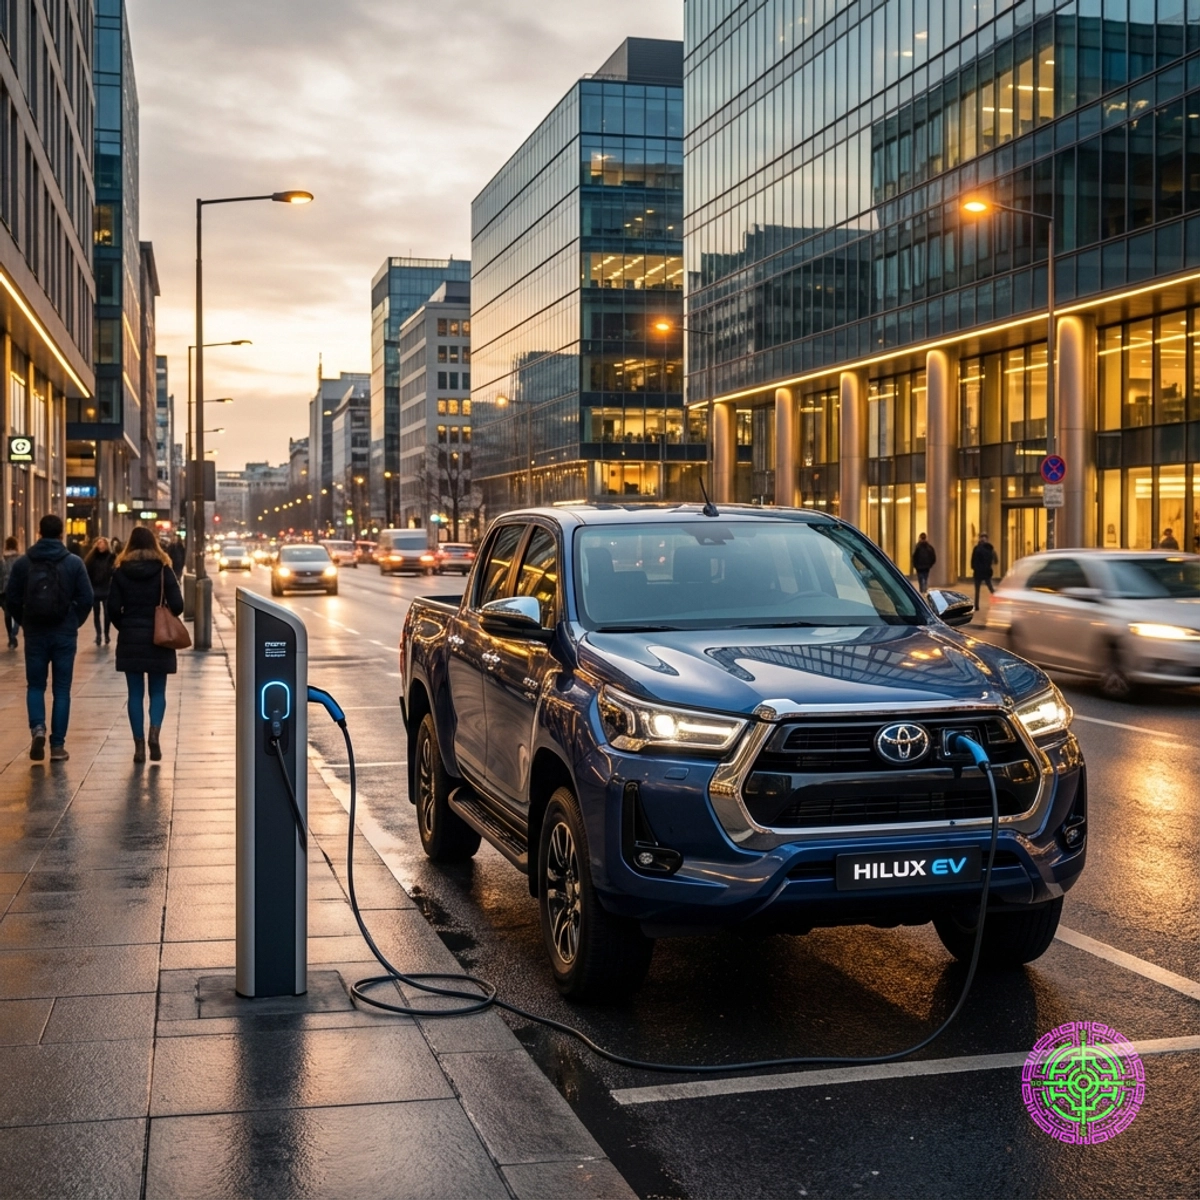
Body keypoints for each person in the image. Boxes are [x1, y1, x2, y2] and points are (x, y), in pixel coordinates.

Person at [4, 514, 93, 761]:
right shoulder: (74, 563)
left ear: (39, 533)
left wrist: (25, 621)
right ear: (62, 534)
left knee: (35, 685)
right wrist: (73, 622)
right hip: (64, 633)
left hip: (35, 633)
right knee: (62, 689)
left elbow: (11, 599)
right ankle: (57, 746)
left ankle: (38, 728)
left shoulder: (24, 563)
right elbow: (87, 598)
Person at [108, 526, 185, 763]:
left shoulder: (121, 571)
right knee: (158, 691)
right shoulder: (164, 570)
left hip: (131, 636)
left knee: (134, 693)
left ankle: (139, 746)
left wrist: (127, 625)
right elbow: (178, 605)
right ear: (155, 544)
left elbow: (112, 608)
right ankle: (155, 732)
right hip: (159, 639)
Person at [84, 537, 117, 645]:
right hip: (95, 588)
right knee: (96, 613)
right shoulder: (91, 558)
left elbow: (115, 571)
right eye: (99, 543)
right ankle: (98, 635)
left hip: (107, 588)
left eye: (103, 544)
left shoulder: (112, 557)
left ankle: (106, 634)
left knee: (107, 614)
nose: (100, 546)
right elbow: (87, 573)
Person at [970, 532, 999, 611]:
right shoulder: (988, 548)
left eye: (984, 537)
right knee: (985, 588)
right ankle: (976, 606)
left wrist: (974, 567)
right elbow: (996, 560)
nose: (983, 538)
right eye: (982, 537)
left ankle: (977, 606)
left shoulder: (980, 548)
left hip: (981, 571)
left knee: (985, 588)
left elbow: (973, 560)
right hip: (983, 571)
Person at [0, 535, 20, 648]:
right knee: (17, 611)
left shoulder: (2, 559)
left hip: (5, 590)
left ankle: (11, 637)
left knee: (7, 614)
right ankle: (14, 632)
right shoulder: (20, 559)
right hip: (17, 589)